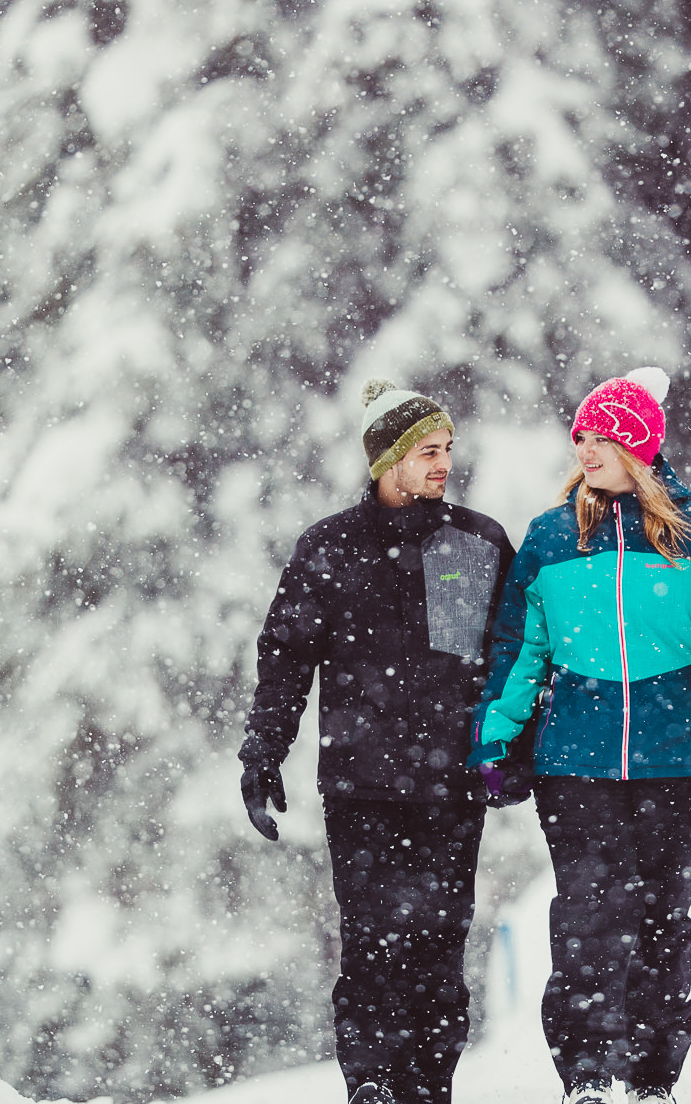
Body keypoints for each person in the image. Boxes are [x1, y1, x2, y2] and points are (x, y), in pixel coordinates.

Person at [469, 367, 691, 1104]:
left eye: (602, 436)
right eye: (581, 437)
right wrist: (496, 741)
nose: (587, 450)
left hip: (683, 759)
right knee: (587, 914)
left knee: (662, 918)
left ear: (638, 443)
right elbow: (520, 650)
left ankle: (650, 1077)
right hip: (577, 760)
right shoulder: (550, 538)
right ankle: (582, 1077)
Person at [240, 380, 515, 1104]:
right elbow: (286, 656)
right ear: (386, 458)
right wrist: (263, 750)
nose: (443, 463)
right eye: (427, 450)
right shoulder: (329, 548)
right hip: (360, 788)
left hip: (451, 789)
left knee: (437, 948)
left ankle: (429, 1088)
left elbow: (512, 658)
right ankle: (370, 1084)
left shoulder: (476, 542)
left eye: (448, 449)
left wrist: (510, 749)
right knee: (370, 946)